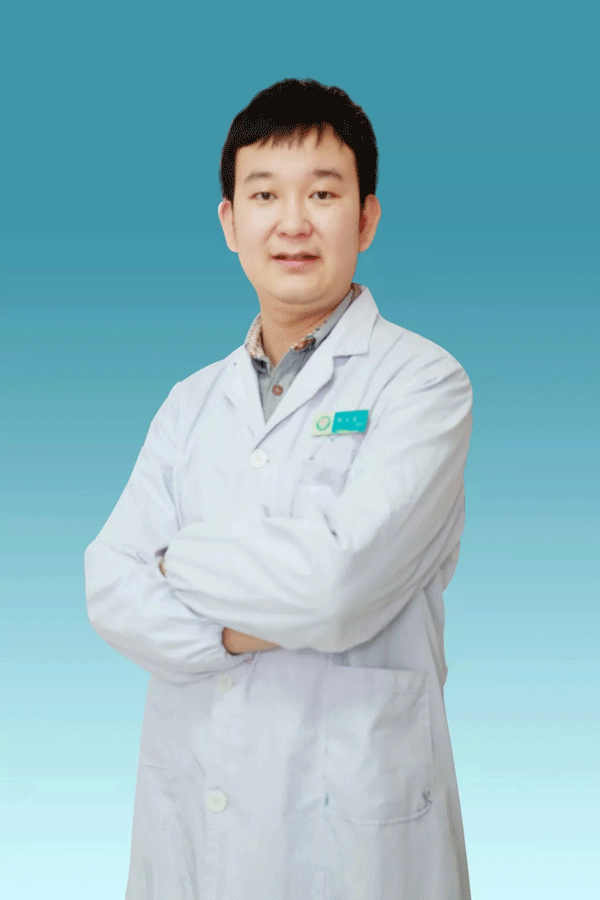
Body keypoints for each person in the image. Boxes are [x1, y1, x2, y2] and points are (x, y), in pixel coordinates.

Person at [84, 77, 473, 900]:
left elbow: (338, 587)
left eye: (322, 193)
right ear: (230, 222)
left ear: (365, 217)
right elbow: (110, 589)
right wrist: (254, 622)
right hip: (197, 815)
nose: (293, 222)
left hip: (358, 833)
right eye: (265, 194)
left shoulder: (424, 383)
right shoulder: (190, 403)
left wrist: (175, 562)